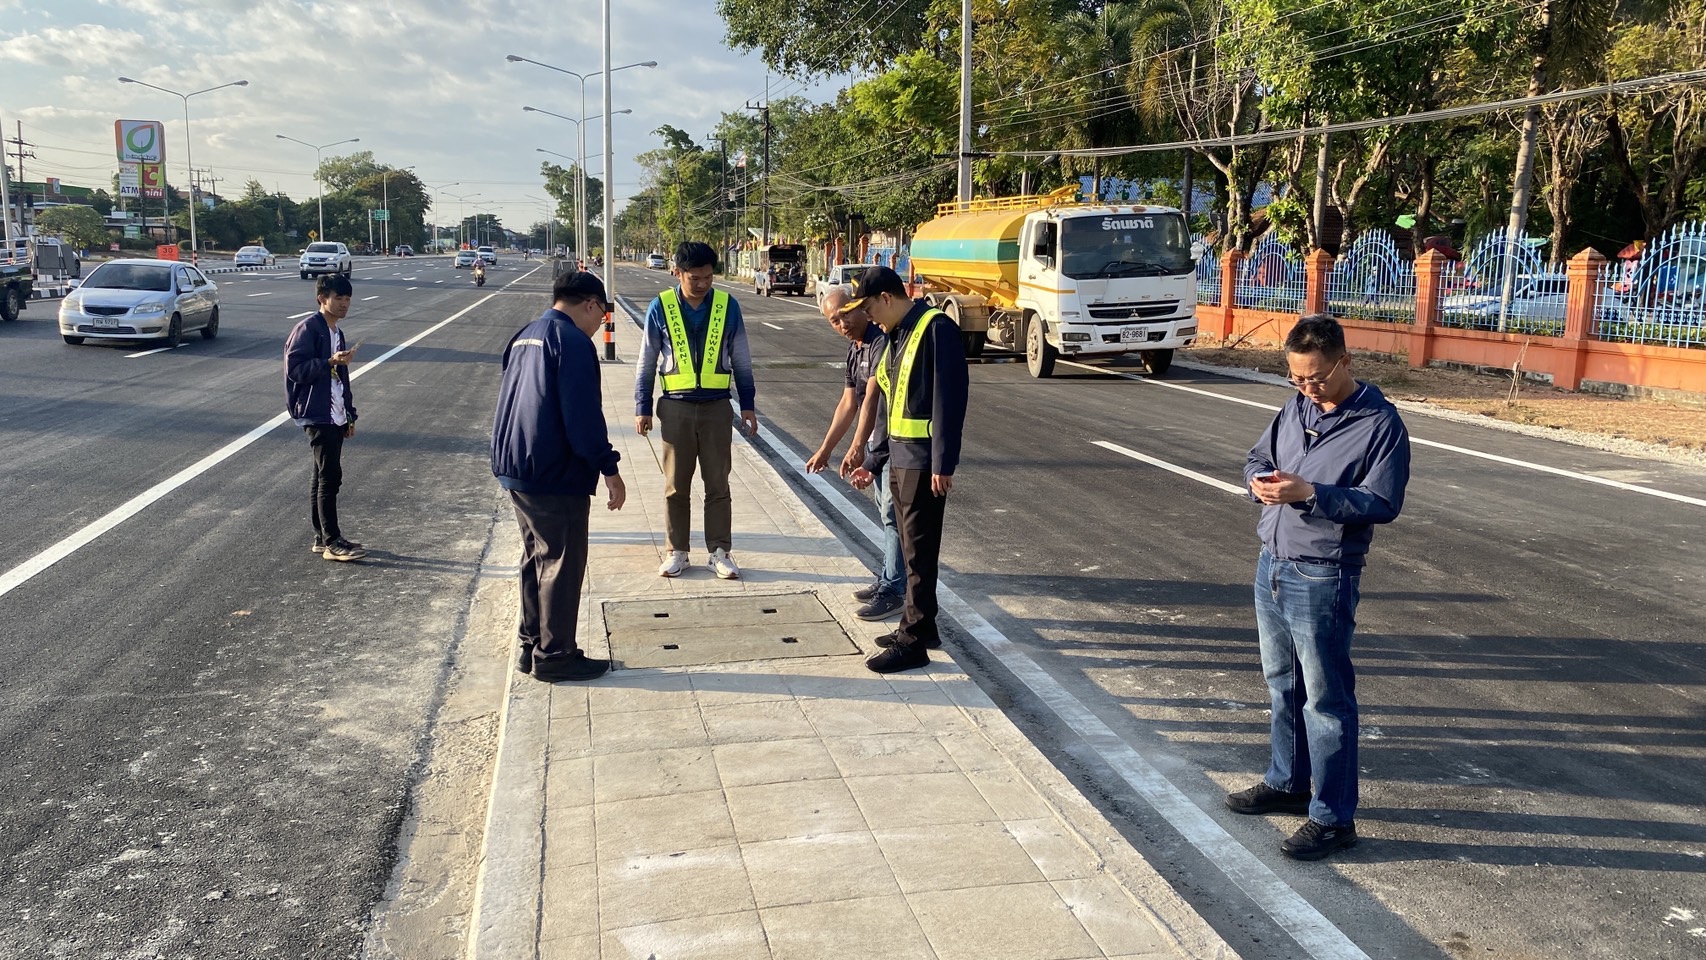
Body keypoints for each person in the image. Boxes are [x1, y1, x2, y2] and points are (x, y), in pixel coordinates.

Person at [1227, 314, 1411, 861]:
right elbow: (1259, 457)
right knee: (1282, 684)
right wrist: (1258, 483)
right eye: (1297, 377)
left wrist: (1311, 493)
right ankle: (1288, 782)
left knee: (1326, 701)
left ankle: (1333, 819)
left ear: (1344, 362)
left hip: (1323, 573)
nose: (1308, 387)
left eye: (1317, 377)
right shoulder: (1295, 408)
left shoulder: (1379, 424)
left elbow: (1383, 502)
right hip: (1273, 563)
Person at [491, 270, 627, 683]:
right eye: (602, 315)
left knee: (536, 557)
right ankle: (555, 656)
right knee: (561, 563)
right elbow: (582, 418)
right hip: (554, 469)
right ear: (590, 304)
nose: (600, 323)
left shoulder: (525, 334)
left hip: (516, 465)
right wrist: (609, 467)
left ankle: (530, 644)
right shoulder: (572, 343)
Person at [845, 267, 968, 673]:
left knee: (918, 556)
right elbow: (889, 406)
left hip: (923, 463)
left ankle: (912, 642)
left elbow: (950, 400)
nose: (868, 318)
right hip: (898, 461)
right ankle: (922, 627)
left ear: (886, 298)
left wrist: (943, 462)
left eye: (868, 309)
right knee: (915, 552)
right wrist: (873, 461)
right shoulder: (896, 335)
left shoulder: (936, 329)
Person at [634, 240, 758, 579]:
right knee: (676, 485)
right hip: (675, 408)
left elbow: (741, 358)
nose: (702, 284)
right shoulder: (660, 307)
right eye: (695, 278)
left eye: (708, 277)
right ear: (678, 273)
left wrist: (748, 404)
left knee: (718, 483)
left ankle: (719, 552)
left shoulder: (728, 306)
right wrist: (642, 406)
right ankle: (677, 551)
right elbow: (647, 360)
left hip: (717, 408)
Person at [806, 287, 903, 621]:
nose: (842, 323)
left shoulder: (879, 343)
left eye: (846, 313)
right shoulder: (855, 349)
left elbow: (873, 398)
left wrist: (857, 446)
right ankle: (889, 578)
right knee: (886, 514)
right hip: (875, 443)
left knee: (892, 515)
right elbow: (849, 403)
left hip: (891, 442)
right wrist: (825, 450)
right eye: (834, 320)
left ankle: (894, 590)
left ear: (860, 307)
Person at [284, 274, 367, 562]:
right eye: (338, 298)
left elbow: (341, 378)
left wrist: (349, 415)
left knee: (321, 476)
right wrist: (328, 361)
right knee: (330, 477)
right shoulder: (308, 329)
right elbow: (295, 369)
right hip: (316, 412)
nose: (344, 304)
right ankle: (333, 542)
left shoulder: (336, 332)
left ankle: (322, 538)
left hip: (334, 413)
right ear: (322, 298)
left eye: (347, 299)